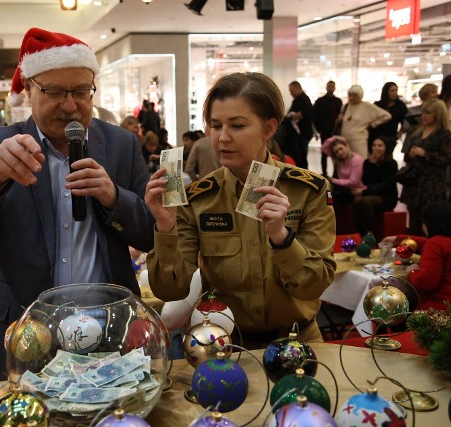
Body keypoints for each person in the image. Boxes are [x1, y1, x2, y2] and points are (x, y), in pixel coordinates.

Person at [0, 28, 154, 380]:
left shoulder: (120, 145)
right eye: (54, 92)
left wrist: (114, 198)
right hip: (24, 327)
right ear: (30, 89)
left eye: (81, 91)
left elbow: (151, 234)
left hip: (108, 326)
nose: (70, 105)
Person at [145, 72, 336, 348]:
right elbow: (170, 290)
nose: (222, 138)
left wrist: (282, 238)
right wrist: (165, 227)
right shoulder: (197, 198)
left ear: (269, 128)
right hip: (225, 350)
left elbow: (315, 285)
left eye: (236, 126)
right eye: (215, 125)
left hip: (299, 345)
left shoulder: (308, 190)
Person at [383, 203, 451, 311]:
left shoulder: (435, 244)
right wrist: (399, 238)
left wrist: (412, 272)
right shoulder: (442, 242)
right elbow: (429, 243)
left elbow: (425, 283)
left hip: (438, 312)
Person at [400, 99, 451, 236]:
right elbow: (406, 156)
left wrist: (425, 154)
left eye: (428, 113)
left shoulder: (445, 135)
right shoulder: (417, 132)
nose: (424, 116)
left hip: (432, 184)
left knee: (431, 218)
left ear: (438, 114)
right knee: (414, 220)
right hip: (415, 182)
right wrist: (411, 154)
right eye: (423, 112)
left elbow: (446, 159)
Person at [351, 135, 398, 236]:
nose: (376, 148)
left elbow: (388, 185)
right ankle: (359, 233)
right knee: (356, 201)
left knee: (365, 201)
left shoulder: (391, 163)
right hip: (371, 192)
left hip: (386, 197)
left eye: (380, 146)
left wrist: (364, 192)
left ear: (386, 148)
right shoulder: (368, 162)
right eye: (374, 145)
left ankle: (369, 234)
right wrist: (371, 163)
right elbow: (366, 181)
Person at [339, 85, 391, 159]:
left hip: (359, 139)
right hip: (344, 139)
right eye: (349, 95)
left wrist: (372, 124)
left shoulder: (367, 106)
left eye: (354, 96)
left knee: (361, 161)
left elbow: (387, 116)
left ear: (360, 96)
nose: (351, 98)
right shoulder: (346, 106)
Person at [367, 82, 408, 153]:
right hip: (375, 135)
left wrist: (398, 135)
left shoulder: (400, 106)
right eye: (392, 91)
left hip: (390, 136)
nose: (394, 93)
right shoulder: (378, 104)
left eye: (396, 91)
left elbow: (405, 121)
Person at [323, 136, 365, 205]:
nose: (340, 152)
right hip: (344, 188)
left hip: (355, 189)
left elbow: (353, 182)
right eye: (336, 152)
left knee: (332, 197)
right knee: (325, 191)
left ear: (346, 146)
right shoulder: (339, 161)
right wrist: (335, 138)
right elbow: (324, 148)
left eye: (341, 149)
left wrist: (333, 180)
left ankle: (329, 210)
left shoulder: (356, 159)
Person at [313, 81, 343, 176]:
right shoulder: (320, 101)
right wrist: (319, 130)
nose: (330, 88)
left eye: (332, 86)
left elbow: (341, 116)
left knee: (337, 152)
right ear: (326, 87)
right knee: (324, 153)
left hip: (336, 132)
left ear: (335, 88)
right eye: (329, 86)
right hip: (325, 131)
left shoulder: (338, 101)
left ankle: (336, 173)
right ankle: (324, 173)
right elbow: (315, 117)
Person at [287, 81, 313, 169]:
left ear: (299, 88)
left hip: (303, 134)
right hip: (299, 134)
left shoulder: (304, 99)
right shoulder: (298, 99)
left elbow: (305, 114)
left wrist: (293, 116)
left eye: (292, 91)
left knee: (302, 156)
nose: (291, 93)